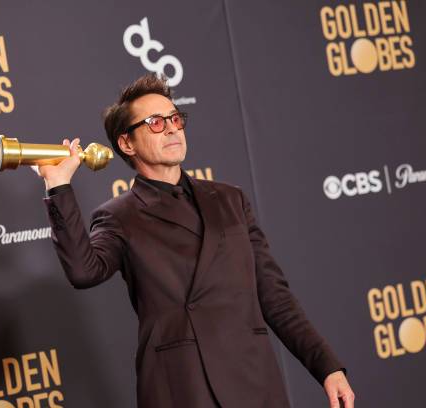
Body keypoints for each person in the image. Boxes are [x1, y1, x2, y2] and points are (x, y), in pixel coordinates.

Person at [33, 74, 355, 408]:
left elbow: (275, 296)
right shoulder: (119, 216)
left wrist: (327, 367)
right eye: (155, 123)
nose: (171, 129)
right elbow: (84, 271)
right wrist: (58, 185)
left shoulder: (230, 200)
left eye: (175, 119)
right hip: (183, 387)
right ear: (127, 143)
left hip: (254, 382)